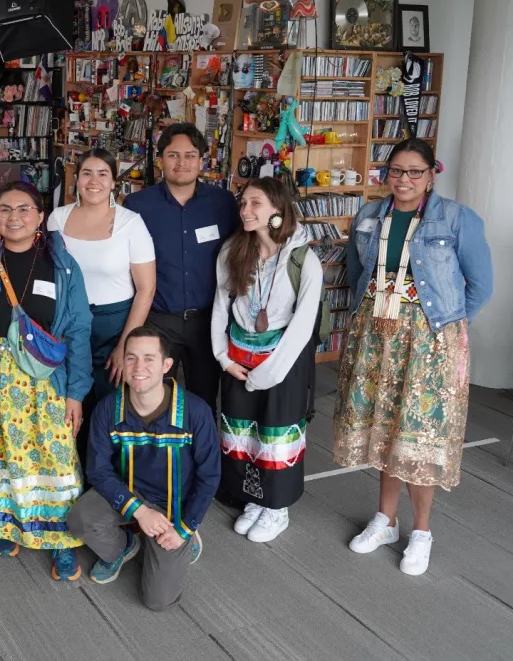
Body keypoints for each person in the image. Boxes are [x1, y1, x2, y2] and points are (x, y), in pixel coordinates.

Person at [335, 139, 493, 576]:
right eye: (396, 171)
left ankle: (421, 530)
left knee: (419, 435)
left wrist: (447, 330)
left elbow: (481, 285)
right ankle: (386, 519)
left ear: (431, 175)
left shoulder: (457, 218)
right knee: (385, 430)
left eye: (414, 172)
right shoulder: (369, 216)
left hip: (429, 341)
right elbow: (356, 271)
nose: (404, 180)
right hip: (377, 333)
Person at [0, 181, 93, 580]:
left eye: (24, 209)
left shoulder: (63, 264)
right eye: (5, 209)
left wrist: (76, 394)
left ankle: (61, 539)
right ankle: (6, 524)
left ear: (40, 216)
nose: (14, 217)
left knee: (55, 457)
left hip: (47, 381)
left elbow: (79, 329)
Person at [68, 327, 220, 610]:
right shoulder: (107, 408)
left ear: (166, 365)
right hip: (128, 492)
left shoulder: (196, 411)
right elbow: (98, 471)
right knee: (78, 518)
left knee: (157, 601)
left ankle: (186, 541)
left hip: (173, 503)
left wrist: (184, 528)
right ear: (121, 362)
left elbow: (209, 476)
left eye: (149, 359)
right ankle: (124, 546)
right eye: (131, 358)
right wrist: (138, 510)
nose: (139, 368)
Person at [211, 178, 322, 543]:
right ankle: (254, 499)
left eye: (255, 204)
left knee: (275, 436)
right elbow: (220, 308)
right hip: (238, 362)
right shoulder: (233, 250)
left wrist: (269, 373)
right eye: (243, 203)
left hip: (280, 367)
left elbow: (303, 326)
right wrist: (222, 357)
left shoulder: (304, 259)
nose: (245, 210)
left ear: (278, 209)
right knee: (242, 434)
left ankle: (276, 508)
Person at [48, 148, 156, 464]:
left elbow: (146, 289)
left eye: (102, 174)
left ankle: (110, 485)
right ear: (76, 180)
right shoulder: (57, 219)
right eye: (86, 173)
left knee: (111, 409)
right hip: (68, 327)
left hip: (116, 327)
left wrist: (126, 346)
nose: (94, 181)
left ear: (113, 183)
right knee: (69, 405)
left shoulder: (131, 224)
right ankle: (72, 481)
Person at [124, 122, 239, 411]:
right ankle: (156, 457)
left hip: (209, 322)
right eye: (173, 155)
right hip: (159, 321)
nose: (182, 162)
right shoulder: (137, 205)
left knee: (204, 401)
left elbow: (242, 251)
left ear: (202, 160)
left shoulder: (223, 203)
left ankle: (199, 456)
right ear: (160, 159)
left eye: (190, 155)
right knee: (152, 400)